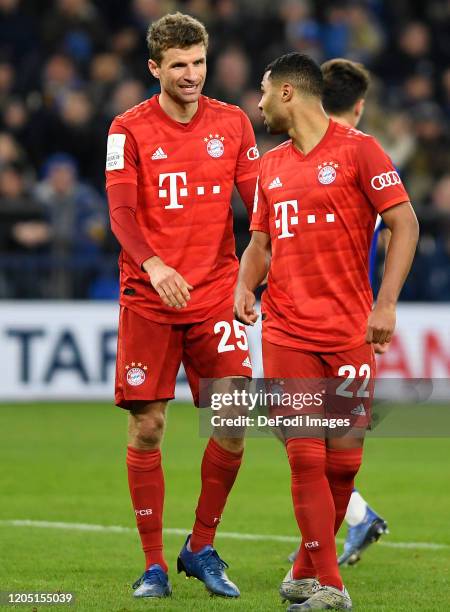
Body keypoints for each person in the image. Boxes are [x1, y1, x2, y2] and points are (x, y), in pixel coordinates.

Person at [234, 52, 418, 610]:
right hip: (288, 330)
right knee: (306, 457)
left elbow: (405, 223)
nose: (258, 103)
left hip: (349, 331)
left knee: (344, 465)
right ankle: (331, 587)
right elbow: (260, 245)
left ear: (289, 93)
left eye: (264, 92)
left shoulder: (361, 152)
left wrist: (386, 305)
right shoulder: (269, 166)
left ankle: (304, 567)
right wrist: (245, 285)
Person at [105, 13, 259, 599]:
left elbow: (260, 209)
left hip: (215, 292)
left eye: (198, 62)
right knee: (149, 427)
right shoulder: (128, 129)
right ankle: (153, 566)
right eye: (179, 66)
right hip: (149, 296)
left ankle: (199, 545)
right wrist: (154, 264)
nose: (191, 75)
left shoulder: (234, 122)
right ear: (155, 68)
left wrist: (254, 276)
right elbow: (121, 214)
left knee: (233, 419)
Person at [287, 58, 389, 569]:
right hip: (351, 314)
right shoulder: (367, 153)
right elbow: (394, 230)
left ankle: (347, 523)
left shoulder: (348, 154)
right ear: (360, 104)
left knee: (310, 441)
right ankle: (327, 537)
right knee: (319, 441)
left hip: (324, 319)